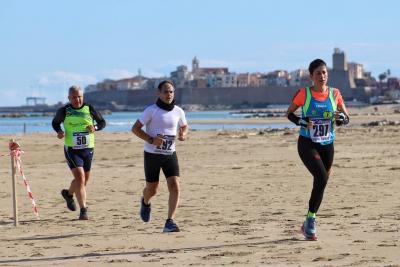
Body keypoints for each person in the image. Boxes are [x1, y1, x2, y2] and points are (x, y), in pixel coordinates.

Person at [286, 59, 349, 240]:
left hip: (327, 145)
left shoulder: (335, 94)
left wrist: (342, 119)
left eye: (324, 72)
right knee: (321, 177)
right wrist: (301, 121)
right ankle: (312, 221)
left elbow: (345, 118)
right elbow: (289, 113)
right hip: (307, 143)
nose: (322, 76)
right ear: (311, 76)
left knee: (321, 183)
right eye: (318, 73)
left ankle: (307, 221)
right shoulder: (303, 94)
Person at [132, 80, 188, 232]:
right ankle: (145, 202)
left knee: (175, 186)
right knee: (152, 190)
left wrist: (183, 133)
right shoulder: (151, 110)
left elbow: (184, 125)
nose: (169, 94)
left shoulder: (178, 111)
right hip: (152, 155)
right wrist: (151, 140)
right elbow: (135, 128)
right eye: (166, 91)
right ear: (159, 93)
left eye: (171, 91)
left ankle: (170, 221)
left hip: (170, 154)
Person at [52, 85, 106, 220]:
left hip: (88, 149)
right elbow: (55, 123)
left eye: (79, 97)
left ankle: (69, 194)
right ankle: (83, 210)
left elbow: (102, 122)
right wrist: (59, 131)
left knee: (83, 180)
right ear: (69, 98)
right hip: (72, 149)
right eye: (74, 97)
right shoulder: (64, 110)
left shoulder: (89, 108)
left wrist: (95, 127)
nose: (77, 100)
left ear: (83, 97)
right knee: (80, 178)